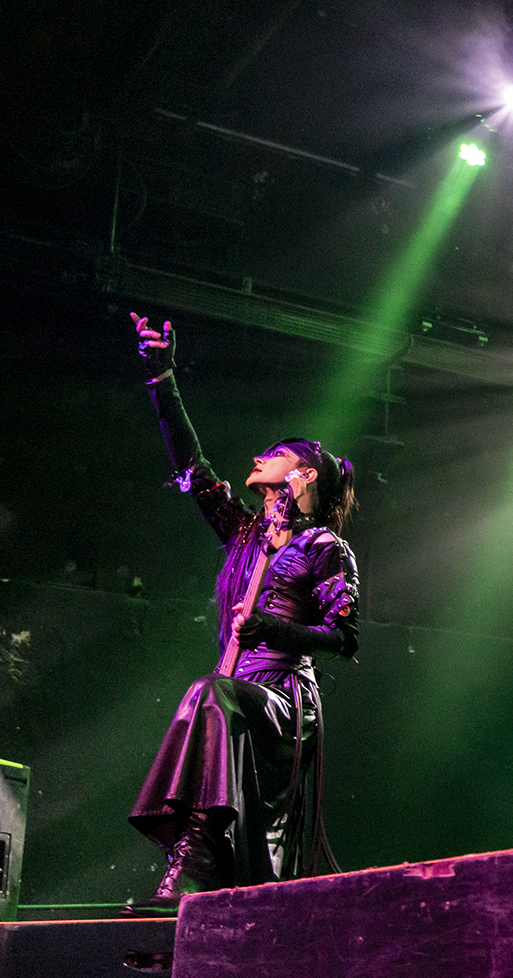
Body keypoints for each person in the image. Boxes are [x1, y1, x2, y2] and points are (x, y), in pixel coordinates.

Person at [125, 312, 359, 914]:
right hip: (236, 691)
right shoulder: (246, 534)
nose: (258, 456)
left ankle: (194, 864)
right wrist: (162, 378)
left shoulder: (323, 546)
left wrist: (271, 627)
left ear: (304, 474)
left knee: (210, 691)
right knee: (212, 692)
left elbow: (343, 637)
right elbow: (192, 468)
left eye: (274, 454)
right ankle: (196, 864)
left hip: (284, 700)